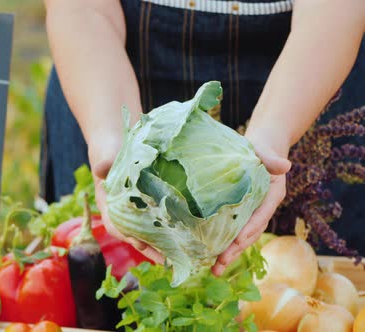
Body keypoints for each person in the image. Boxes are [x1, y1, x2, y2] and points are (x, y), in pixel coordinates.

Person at [40, 0, 365, 276]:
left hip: (306, 75)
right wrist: (111, 139)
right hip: (106, 77)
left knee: (312, 287)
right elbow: (82, 8)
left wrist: (270, 140)